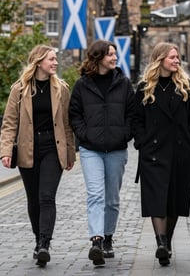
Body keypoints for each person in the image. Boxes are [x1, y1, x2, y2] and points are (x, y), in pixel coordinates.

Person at [0, 44, 76, 267]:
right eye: (51, 59)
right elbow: (9, 122)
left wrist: (70, 153)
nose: (55, 63)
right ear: (39, 61)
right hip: (27, 148)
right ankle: (37, 238)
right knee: (33, 200)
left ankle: (44, 243)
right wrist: (5, 151)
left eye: (55, 59)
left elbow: (67, 125)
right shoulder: (20, 89)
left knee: (46, 197)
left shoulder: (62, 89)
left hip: (53, 147)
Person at [132, 42, 190, 266]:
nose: (177, 61)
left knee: (174, 200)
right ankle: (161, 242)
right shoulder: (144, 87)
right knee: (156, 198)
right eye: (172, 57)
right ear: (160, 59)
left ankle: (167, 241)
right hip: (153, 153)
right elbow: (136, 120)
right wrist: (142, 142)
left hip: (180, 152)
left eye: (178, 57)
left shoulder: (185, 86)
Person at [69, 40, 134, 266]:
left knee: (112, 199)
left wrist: (124, 134)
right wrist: (85, 134)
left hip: (116, 149)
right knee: (95, 195)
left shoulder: (124, 83)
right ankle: (96, 241)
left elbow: (132, 114)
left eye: (115, 54)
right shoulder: (82, 85)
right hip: (90, 150)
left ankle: (108, 238)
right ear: (98, 58)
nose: (115, 58)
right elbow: (74, 114)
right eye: (110, 55)